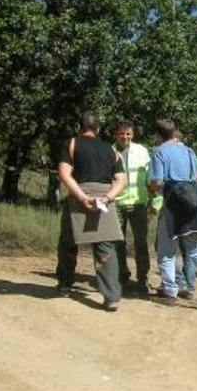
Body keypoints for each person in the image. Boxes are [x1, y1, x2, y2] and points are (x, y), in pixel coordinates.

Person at [149, 119, 197, 310]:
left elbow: (157, 182)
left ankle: (169, 292)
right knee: (195, 249)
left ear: (158, 135)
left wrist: (152, 186)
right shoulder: (188, 151)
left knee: (166, 250)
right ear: (174, 133)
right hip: (193, 203)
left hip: (173, 205)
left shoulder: (158, 152)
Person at [55, 112, 126, 312]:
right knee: (105, 248)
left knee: (68, 242)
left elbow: (64, 174)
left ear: (79, 127)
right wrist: (106, 199)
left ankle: (64, 284)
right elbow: (121, 180)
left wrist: (81, 196)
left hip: (79, 196)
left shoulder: (71, 143)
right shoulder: (110, 150)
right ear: (98, 130)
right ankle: (111, 296)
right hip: (105, 199)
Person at [112, 120, 152, 294]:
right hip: (116, 203)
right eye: (122, 133)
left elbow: (152, 176)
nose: (125, 136)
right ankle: (122, 275)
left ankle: (143, 279)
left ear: (133, 134)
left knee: (141, 244)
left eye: (128, 133)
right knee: (118, 243)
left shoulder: (142, 151)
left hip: (138, 204)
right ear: (116, 134)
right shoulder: (109, 151)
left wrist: (155, 201)